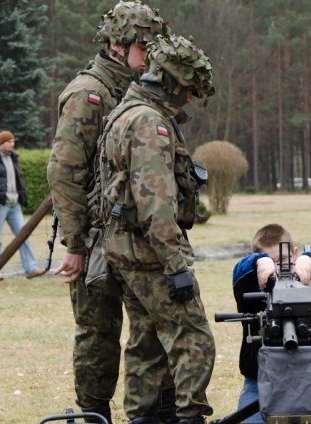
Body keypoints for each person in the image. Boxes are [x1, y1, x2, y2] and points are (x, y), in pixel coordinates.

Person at [46, 2, 173, 422]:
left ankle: (149, 413)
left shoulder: (138, 89)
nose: (149, 56)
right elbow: (64, 174)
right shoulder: (89, 93)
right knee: (98, 332)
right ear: (119, 44)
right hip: (98, 238)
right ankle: (94, 414)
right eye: (143, 47)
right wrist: (77, 243)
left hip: (136, 238)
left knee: (150, 329)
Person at [99, 33, 216, 424]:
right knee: (193, 338)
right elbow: (156, 204)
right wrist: (177, 266)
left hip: (126, 251)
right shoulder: (149, 123)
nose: (188, 101)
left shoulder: (125, 111)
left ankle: (144, 417)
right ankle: (188, 417)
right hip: (151, 254)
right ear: (169, 82)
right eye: (186, 91)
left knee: (146, 340)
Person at [232, 223, 311, 423]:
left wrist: (310, 259)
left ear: (295, 254)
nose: (279, 267)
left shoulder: (310, 277)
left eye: (283, 260)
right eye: (272, 261)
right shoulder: (249, 283)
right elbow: (239, 271)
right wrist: (260, 263)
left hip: (304, 382)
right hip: (259, 381)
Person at [0, 131, 47, 280]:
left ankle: (31, 268)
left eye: (13, 141)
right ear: (1, 143)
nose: (12, 144)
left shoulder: (13, 158)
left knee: (23, 235)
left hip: (14, 204)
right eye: (9, 141)